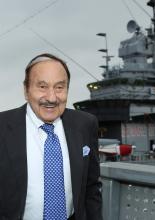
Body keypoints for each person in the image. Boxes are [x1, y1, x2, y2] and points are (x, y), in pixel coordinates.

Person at [0, 53, 103, 220]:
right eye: (42, 87)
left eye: (59, 87)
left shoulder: (85, 124)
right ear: (26, 90)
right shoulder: (2, 127)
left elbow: (91, 188)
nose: (51, 97)